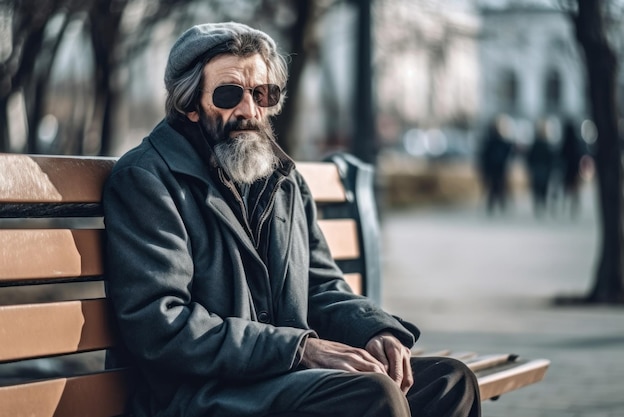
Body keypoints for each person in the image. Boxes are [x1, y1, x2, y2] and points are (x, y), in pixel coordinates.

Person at [103, 22, 481, 417]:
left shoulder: (282, 179)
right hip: (202, 392)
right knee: (371, 397)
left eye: (262, 94)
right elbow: (162, 323)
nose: (249, 111)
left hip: (277, 378)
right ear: (190, 105)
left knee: (449, 381)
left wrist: (373, 329)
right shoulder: (147, 179)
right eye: (230, 94)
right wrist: (298, 350)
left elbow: (319, 286)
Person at [477, 115, 514, 215]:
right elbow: (484, 156)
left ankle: (499, 205)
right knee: (494, 188)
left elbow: (509, 152)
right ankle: (494, 206)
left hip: (500, 168)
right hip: (493, 169)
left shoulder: (502, 141)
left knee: (499, 187)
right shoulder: (490, 141)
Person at [525, 119, 556, 217]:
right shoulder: (546, 144)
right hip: (543, 169)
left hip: (538, 169)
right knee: (542, 188)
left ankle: (538, 205)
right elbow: (551, 158)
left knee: (537, 188)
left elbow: (530, 157)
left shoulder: (537, 144)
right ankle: (542, 204)